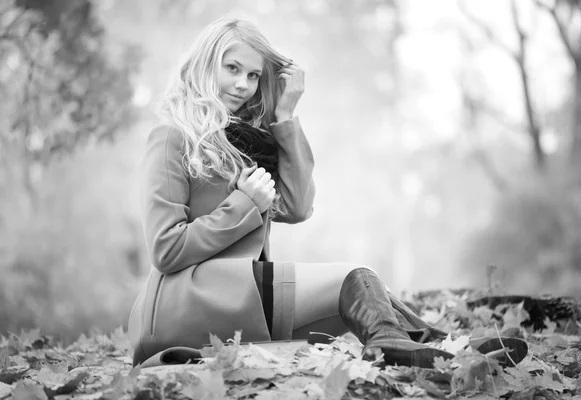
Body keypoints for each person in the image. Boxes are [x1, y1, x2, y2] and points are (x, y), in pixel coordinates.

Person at [127, 18, 528, 369]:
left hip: (235, 299)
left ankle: (447, 349)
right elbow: (165, 248)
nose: (243, 85)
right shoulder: (171, 137)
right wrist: (243, 205)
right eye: (232, 68)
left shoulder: (239, 143)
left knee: (364, 302)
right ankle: (409, 347)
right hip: (184, 304)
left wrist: (285, 117)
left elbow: (299, 207)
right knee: (354, 278)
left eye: (253, 76)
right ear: (204, 63)